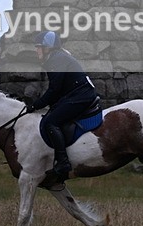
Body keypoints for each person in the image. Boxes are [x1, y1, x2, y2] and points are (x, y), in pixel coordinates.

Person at [27, 30, 99, 181]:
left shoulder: (56, 59)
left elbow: (54, 89)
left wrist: (36, 105)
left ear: (47, 47)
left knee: (50, 122)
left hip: (81, 96)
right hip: (77, 94)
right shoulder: (56, 57)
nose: (36, 50)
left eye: (39, 47)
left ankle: (63, 162)